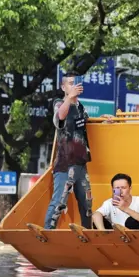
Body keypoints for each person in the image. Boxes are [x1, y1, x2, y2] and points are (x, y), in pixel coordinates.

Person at [43, 72, 113, 229]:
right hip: (65, 163)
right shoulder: (59, 102)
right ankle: (48, 232)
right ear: (63, 87)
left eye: (76, 83)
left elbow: (86, 121)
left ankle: (87, 233)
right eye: (70, 83)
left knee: (87, 203)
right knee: (59, 201)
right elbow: (60, 116)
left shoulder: (80, 106)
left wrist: (103, 118)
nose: (74, 86)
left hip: (81, 164)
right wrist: (70, 97)